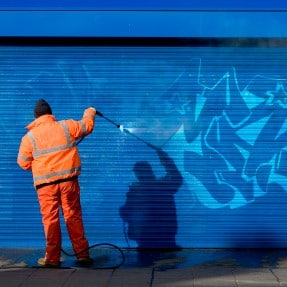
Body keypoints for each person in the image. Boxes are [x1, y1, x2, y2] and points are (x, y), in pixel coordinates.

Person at [17, 99, 97, 267]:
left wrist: (42, 164)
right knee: (73, 215)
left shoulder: (29, 138)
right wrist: (90, 112)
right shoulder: (66, 126)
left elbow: (23, 163)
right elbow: (86, 126)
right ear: (50, 114)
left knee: (50, 219)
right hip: (69, 182)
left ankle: (52, 259)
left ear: (36, 116)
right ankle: (82, 255)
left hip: (45, 185)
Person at [120, 147, 183, 250]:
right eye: (139, 172)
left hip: (159, 237)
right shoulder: (138, 190)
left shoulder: (160, 186)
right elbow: (128, 213)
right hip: (149, 237)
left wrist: (166, 159)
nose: (140, 175)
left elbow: (176, 178)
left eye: (141, 172)